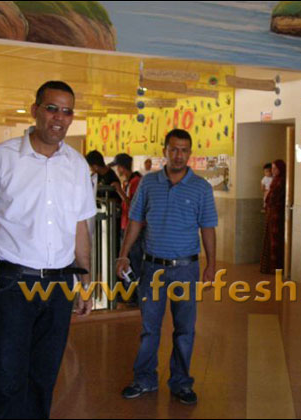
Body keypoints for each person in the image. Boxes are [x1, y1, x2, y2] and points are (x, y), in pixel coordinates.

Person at [0, 81, 97, 419]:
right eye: (52, 108)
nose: (59, 118)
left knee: (43, 380)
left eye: (67, 111)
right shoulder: (0, 159)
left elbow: (80, 229)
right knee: (6, 381)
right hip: (13, 286)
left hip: (60, 287)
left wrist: (86, 282)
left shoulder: (77, 165)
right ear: (35, 110)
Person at [117, 128, 217, 405]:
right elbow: (135, 221)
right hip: (152, 268)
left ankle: (181, 382)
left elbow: (208, 228)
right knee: (150, 329)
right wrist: (123, 255)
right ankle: (144, 379)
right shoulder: (149, 184)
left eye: (184, 150)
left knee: (185, 330)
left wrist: (211, 265)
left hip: (186, 268)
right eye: (173, 149)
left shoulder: (201, 188)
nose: (178, 155)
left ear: (189, 153)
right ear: (165, 151)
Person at [110, 153, 143, 303]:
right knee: (127, 262)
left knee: (134, 262)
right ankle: (128, 292)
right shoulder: (128, 182)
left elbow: (134, 207)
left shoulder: (136, 182)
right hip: (125, 226)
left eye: (117, 167)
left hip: (133, 229)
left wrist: (120, 191)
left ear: (122, 168)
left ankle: (136, 295)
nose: (117, 171)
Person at [260, 159, 286, 274]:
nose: (273, 171)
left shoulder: (281, 181)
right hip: (271, 213)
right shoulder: (275, 180)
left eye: (275, 168)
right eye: (272, 168)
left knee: (275, 240)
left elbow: (274, 197)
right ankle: (269, 267)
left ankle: (276, 267)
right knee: (269, 239)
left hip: (277, 214)